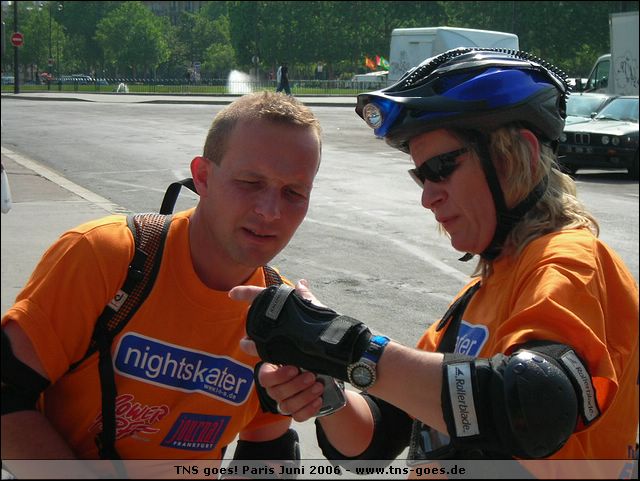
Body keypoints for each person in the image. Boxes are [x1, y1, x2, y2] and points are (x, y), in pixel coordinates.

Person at [231, 48, 639, 466]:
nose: (428, 196)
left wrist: (343, 344)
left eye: (442, 168)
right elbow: (375, 440)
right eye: (420, 175)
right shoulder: (481, 293)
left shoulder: (572, 262)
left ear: (520, 155)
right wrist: (324, 383)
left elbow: (534, 405)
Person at [1, 92, 323, 465]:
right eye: (250, 182)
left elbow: (267, 446)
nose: (270, 211)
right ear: (202, 176)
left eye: (294, 192)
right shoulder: (104, 256)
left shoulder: (276, 313)